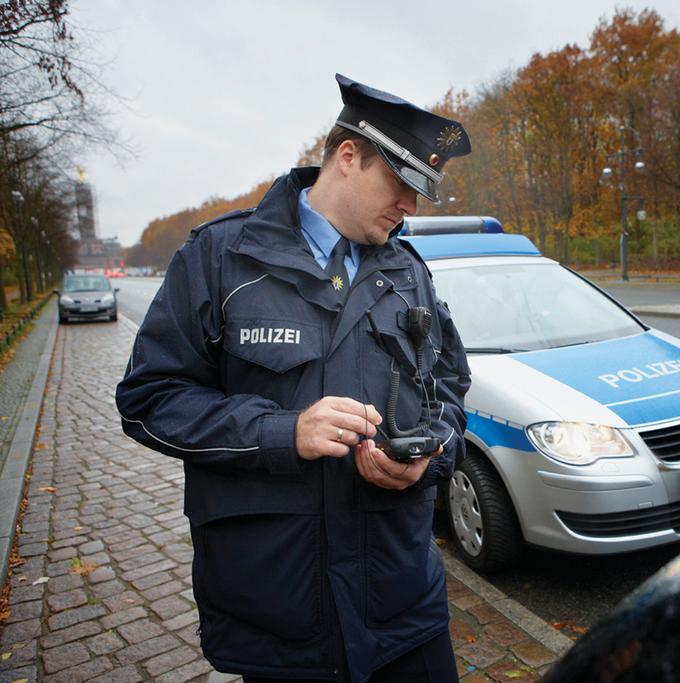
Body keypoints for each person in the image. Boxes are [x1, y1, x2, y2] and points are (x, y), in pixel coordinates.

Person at [115, 74, 473, 683]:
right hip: (280, 611)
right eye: (402, 183)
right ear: (348, 155)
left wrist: (430, 454)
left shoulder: (409, 272)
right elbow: (150, 400)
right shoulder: (222, 258)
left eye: (423, 191)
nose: (411, 206)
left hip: (402, 603)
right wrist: (283, 432)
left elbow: (449, 392)